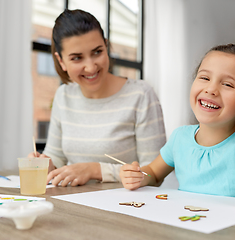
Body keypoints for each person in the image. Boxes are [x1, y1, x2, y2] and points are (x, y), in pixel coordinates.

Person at [120, 43, 235, 209]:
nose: (211, 89)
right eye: (204, 78)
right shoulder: (180, 137)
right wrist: (140, 176)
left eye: (228, 84)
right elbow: (154, 172)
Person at [29, 9, 166, 187]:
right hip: (75, 203)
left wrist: (95, 170)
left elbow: (154, 173)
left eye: (97, 52)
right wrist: (45, 165)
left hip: (125, 206)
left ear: (106, 47)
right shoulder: (63, 96)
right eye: (77, 58)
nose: (90, 67)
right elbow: (58, 161)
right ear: (61, 61)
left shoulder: (140, 95)